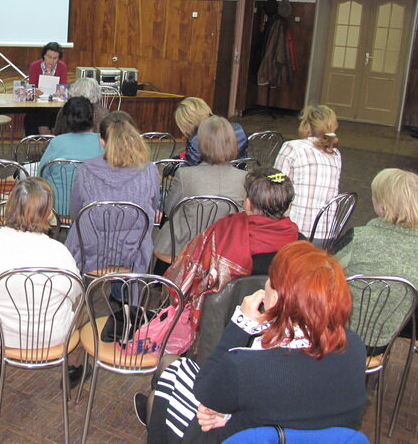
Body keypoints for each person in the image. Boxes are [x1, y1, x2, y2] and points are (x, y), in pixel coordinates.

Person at [141, 241, 367, 443]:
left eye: (270, 281)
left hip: (243, 438)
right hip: (298, 435)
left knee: (170, 376)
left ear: (276, 300)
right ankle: (154, 409)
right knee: (171, 371)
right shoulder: (354, 347)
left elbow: (205, 391)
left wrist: (241, 325)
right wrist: (230, 415)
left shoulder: (249, 365)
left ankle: (156, 412)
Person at [0, 177, 85, 383]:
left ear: (8, 206)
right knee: (85, 307)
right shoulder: (59, 252)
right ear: (48, 213)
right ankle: (75, 368)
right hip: (50, 335)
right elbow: (75, 293)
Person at [162, 167, 299, 324]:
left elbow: (187, 273)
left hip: (218, 323)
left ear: (247, 203)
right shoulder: (300, 245)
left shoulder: (222, 232)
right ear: (287, 207)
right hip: (278, 323)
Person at [66, 111, 160, 275]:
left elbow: (75, 212)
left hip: (91, 249)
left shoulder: (85, 170)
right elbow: (153, 207)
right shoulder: (150, 169)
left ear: (102, 141)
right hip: (134, 252)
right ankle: (123, 292)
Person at [336, 168, 418, 347]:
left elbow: (323, 272)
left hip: (342, 336)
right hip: (388, 341)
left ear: (382, 206)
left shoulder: (357, 237)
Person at [154, 116, 248, 264]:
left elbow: (169, 209)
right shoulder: (245, 178)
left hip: (184, 246)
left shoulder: (185, 174)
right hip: (225, 248)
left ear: (201, 144)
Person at [275, 104, 341, 240]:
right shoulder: (335, 154)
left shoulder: (292, 147)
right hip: (326, 235)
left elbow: (276, 188)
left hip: (295, 232)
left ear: (307, 127)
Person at [174, 97, 247, 166]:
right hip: (239, 174)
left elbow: (188, 167)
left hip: (208, 177)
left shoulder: (196, 140)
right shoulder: (238, 129)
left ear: (188, 123)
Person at [25, 42, 68, 135]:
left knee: (58, 115)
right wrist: (35, 91)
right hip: (38, 104)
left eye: (55, 58)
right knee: (41, 116)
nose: (51, 61)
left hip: (55, 104)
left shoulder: (62, 67)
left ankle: (51, 142)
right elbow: (30, 88)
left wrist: (59, 93)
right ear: (43, 56)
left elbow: (63, 89)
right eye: (49, 57)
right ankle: (47, 142)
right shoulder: (35, 66)